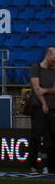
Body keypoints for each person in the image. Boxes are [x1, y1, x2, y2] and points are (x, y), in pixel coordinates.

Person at [28, 46, 55, 174]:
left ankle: (49, 166)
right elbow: (36, 89)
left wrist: (46, 90)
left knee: (50, 139)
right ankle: (33, 165)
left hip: (52, 108)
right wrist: (44, 103)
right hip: (38, 107)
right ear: (48, 56)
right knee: (35, 137)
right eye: (54, 58)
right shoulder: (36, 68)